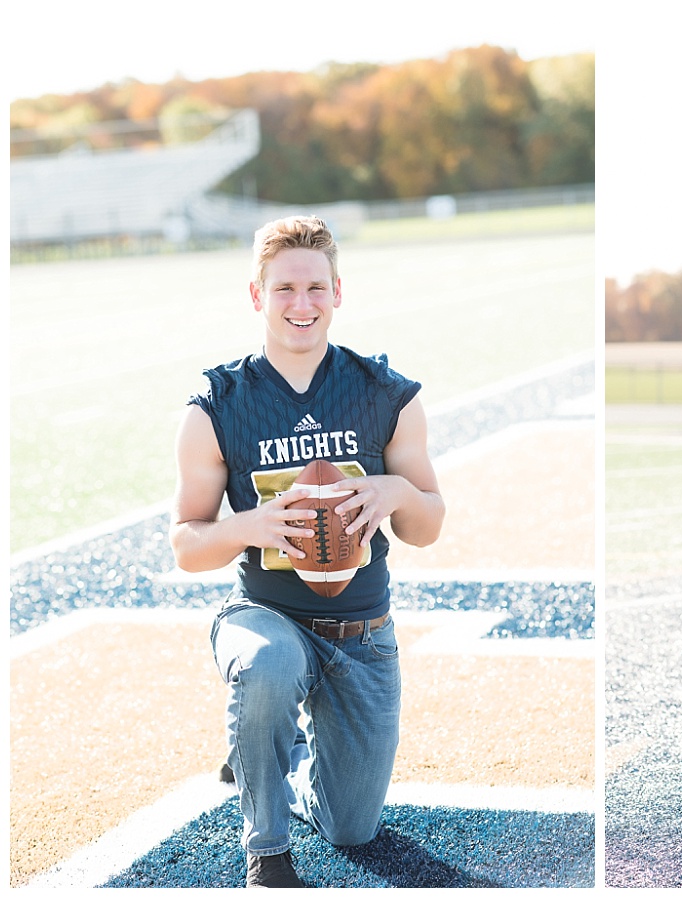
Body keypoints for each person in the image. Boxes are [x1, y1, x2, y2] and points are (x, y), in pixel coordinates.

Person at [170, 215, 445, 887]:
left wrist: (394, 490)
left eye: (315, 288)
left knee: (353, 827)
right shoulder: (218, 405)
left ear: (338, 292)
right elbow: (186, 545)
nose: (302, 304)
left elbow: (429, 524)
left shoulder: (385, 394)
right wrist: (249, 527)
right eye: (286, 288)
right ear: (257, 295)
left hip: (362, 633)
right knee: (265, 667)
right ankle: (266, 853)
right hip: (266, 617)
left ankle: (273, 747)